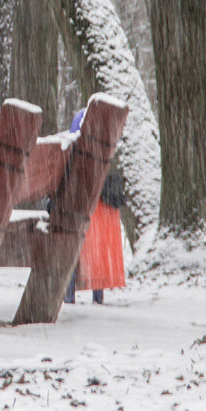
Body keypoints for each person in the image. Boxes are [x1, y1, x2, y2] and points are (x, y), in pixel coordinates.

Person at [63, 109, 125, 304]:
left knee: (76, 244)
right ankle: (97, 296)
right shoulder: (105, 149)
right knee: (97, 243)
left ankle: (69, 294)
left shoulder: (74, 152)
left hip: (78, 204)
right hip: (99, 205)